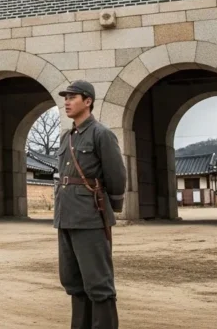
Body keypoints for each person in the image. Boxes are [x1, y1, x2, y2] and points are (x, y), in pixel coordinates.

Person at [54, 80, 127, 329]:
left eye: (73, 97)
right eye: (65, 97)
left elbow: (116, 175)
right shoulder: (67, 136)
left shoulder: (101, 134)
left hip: (90, 216)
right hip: (66, 216)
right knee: (73, 281)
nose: (67, 101)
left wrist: (112, 207)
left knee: (98, 282)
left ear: (88, 101)